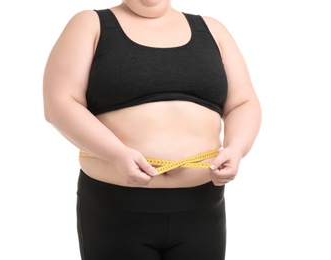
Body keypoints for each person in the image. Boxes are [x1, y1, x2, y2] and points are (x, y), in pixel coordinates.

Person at [43, 0, 261, 259]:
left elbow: (243, 103)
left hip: (202, 208)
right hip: (116, 209)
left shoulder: (213, 30)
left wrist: (237, 149)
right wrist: (116, 154)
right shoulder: (90, 24)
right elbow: (59, 103)